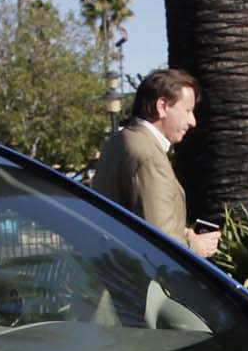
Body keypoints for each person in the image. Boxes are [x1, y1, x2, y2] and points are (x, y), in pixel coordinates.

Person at [92, 67, 220, 257]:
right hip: (135, 280)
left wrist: (184, 233)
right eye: (187, 110)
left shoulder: (120, 140)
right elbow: (161, 243)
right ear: (162, 106)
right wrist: (196, 247)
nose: (192, 121)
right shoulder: (148, 156)